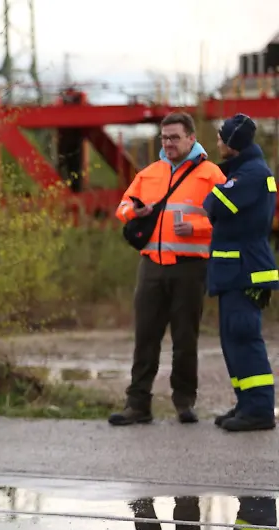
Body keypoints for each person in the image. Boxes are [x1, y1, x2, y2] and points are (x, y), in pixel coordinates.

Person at [109, 112, 226, 426]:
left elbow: (228, 221)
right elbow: (121, 208)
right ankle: (137, 405)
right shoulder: (149, 174)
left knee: (185, 339)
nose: (168, 143)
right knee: (145, 337)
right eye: (164, 138)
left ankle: (184, 403)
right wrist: (133, 211)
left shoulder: (211, 174)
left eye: (174, 137)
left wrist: (197, 228)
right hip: (151, 267)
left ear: (191, 137)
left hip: (190, 268)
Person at [203, 113, 279, 432]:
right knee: (232, 339)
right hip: (234, 271)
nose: (218, 141)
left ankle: (260, 409)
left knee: (244, 338)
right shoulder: (244, 170)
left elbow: (215, 204)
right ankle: (247, 403)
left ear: (233, 143)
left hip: (245, 270)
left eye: (222, 138)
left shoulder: (251, 174)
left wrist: (220, 184)